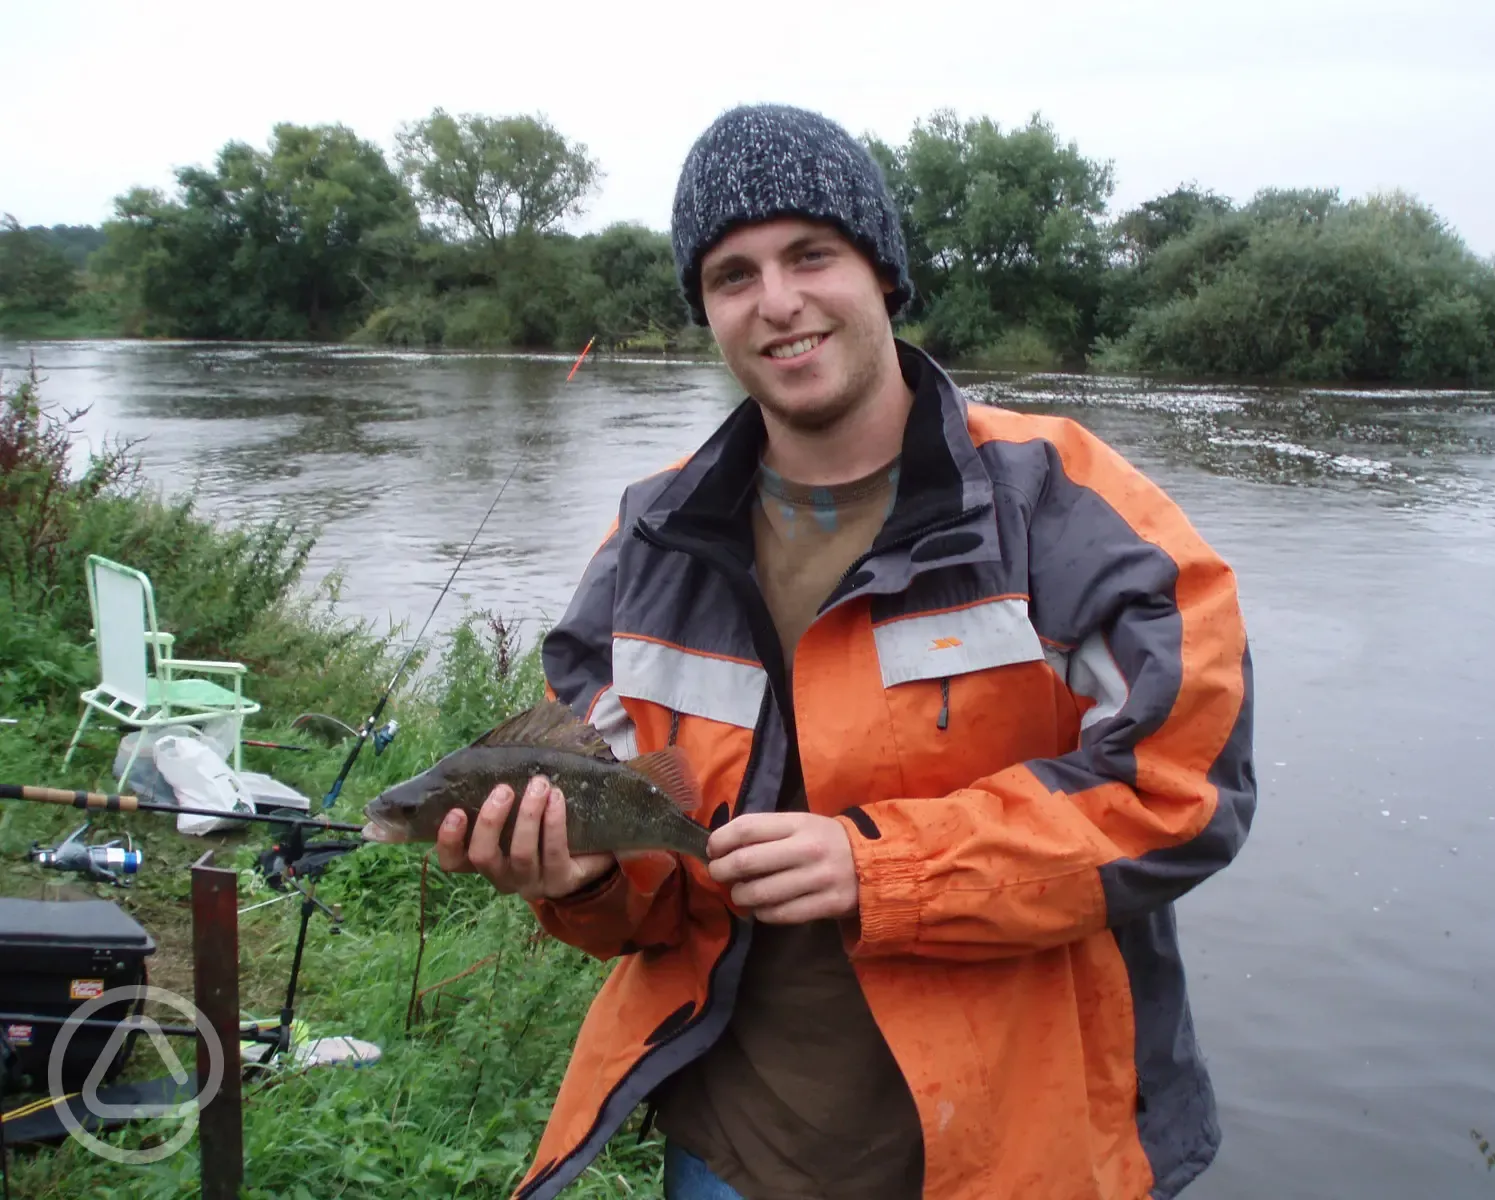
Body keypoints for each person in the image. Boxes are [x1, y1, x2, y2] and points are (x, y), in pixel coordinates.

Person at [437, 103, 1258, 1200]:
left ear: (881, 273)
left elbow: (1184, 794)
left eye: (809, 254)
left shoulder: (1068, 508)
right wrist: (578, 880)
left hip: (1019, 1150)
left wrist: (882, 869)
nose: (776, 302)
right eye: (732, 275)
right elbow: (655, 892)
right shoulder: (649, 542)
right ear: (708, 312)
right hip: (735, 1150)